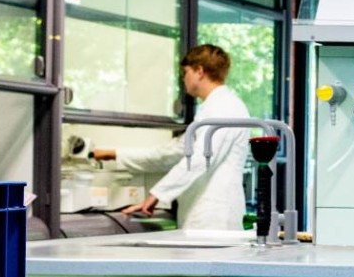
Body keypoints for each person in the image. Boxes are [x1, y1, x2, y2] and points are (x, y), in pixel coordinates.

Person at [94, 44, 251, 232]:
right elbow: (173, 153)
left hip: (214, 218)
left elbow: (201, 159)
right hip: (203, 215)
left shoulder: (224, 107)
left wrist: (157, 194)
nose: (183, 80)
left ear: (199, 71)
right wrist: (114, 154)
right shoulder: (213, 108)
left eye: (185, 73)